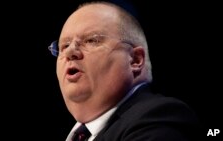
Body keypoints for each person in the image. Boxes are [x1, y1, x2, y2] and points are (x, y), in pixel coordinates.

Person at [48, 1, 201, 141]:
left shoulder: (158, 118)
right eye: (64, 46)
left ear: (135, 60)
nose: (70, 52)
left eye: (91, 40)